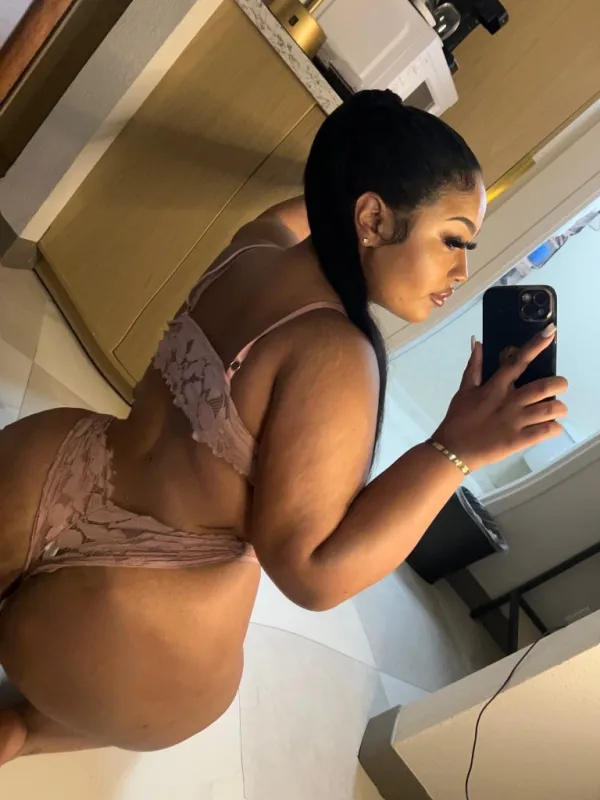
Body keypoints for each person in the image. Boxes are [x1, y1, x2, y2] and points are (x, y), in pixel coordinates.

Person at [0, 90, 567, 763]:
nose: (461, 271)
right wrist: (455, 450)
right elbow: (313, 573)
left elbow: (288, 214)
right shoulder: (336, 355)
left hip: (47, 469)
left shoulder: (253, 249)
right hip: (127, 609)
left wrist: (350, 174)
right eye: (452, 239)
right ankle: (25, 730)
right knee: (199, 705)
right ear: (372, 218)